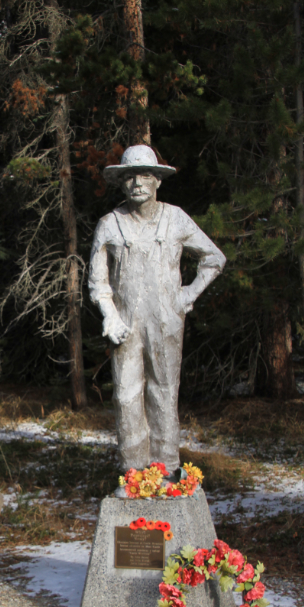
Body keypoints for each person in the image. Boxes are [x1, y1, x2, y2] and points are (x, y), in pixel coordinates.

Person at [89, 144, 225, 475]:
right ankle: (134, 473)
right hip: (125, 322)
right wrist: (109, 314)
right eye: (130, 176)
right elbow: (97, 282)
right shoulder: (109, 225)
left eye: (145, 175)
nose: (138, 183)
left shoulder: (175, 219)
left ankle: (166, 471)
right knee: (125, 394)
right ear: (121, 183)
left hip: (166, 320)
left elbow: (213, 258)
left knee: (163, 392)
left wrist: (187, 294)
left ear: (157, 182)